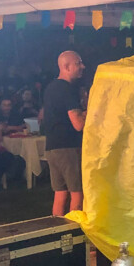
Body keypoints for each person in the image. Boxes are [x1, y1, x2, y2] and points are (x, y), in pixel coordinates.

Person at [43, 51, 86, 216]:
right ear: (66, 67)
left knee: (60, 193)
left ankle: (56, 227)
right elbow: (78, 124)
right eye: (78, 63)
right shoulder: (66, 89)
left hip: (52, 147)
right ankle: (74, 228)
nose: (83, 66)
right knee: (77, 192)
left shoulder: (50, 87)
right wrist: (91, 111)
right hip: (68, 148)